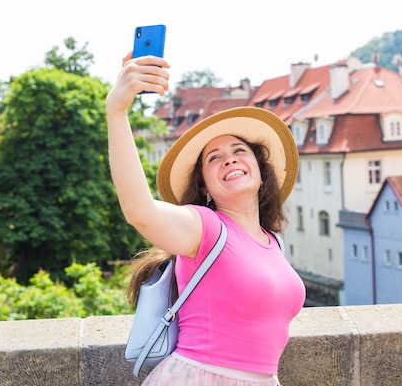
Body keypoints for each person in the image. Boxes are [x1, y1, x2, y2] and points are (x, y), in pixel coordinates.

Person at [106, 52, 306, 386]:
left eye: (239, 151)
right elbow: (139, 211)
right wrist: (117, 111)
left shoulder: (273, 243)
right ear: (205, 188)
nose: (229, 160)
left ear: (260, 173)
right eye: (215, 158)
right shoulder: (206, 228)